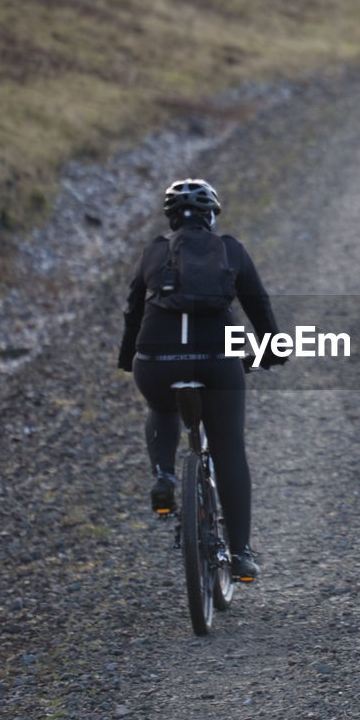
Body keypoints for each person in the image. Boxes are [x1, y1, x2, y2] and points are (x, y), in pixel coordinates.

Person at [117, 178, 284, 581]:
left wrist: (128, 360)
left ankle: (164, 475)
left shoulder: (152, 253)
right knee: (228, 450)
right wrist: (271, 354)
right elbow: (259, 309)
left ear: (171, 219)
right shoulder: (231, 251)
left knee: (161, 406)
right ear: (211, 216)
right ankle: (241, 554)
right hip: (216, 361)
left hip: (156, 361)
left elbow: (133, 312)